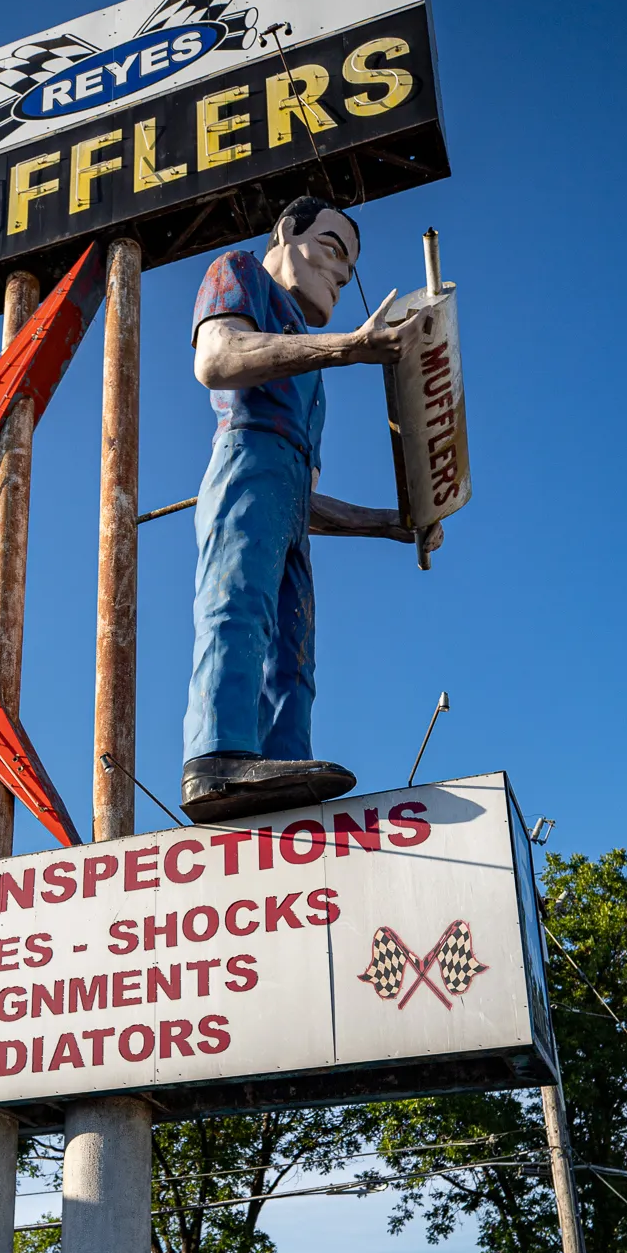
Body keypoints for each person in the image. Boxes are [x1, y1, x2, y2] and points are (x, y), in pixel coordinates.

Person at [180, 195, 438, 824]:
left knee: (294, 643)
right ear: (284, 234)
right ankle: (217, 755)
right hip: (246, 458)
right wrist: (345, 346)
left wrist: (389, 524)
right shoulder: (237, 270)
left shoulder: (312, 375)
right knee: (237, 605)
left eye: (349, 273)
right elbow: (216, 360)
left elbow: (301, 499)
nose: (340, 276)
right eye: (330, 250)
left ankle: (282, 759)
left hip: (286, 492)